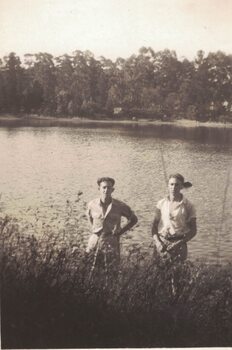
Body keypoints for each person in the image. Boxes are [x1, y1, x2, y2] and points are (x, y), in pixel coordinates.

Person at [86, 177, 138, 280]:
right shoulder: (91, 204)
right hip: (95, 240)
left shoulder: (119, 205)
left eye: (109, 188)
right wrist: (94, 229)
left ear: (112, 190)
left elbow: (133, 219)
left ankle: (110, 293)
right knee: (91, 272)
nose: (106, 190)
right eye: (104, 187)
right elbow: (89, 217)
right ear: (99, 189)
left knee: (111, 272)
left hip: (111, 241)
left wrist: (120, 232)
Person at [152, 173, 197, 263]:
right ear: (168, 186)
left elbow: (193, 231)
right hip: (162, 243)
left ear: (181, 187)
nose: (174, 187)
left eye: (177, 185)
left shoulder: (188, 205)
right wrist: (157, 243)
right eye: (171, 184)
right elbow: (153, 227)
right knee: (158, 274)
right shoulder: (161, 204)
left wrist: (179, 243)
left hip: (179, 244)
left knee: (177, 274)